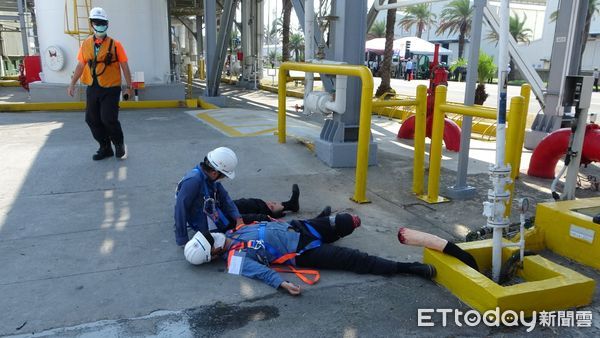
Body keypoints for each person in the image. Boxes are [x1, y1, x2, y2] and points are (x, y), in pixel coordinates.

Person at [184, 214, 437, 295]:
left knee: (348, 220)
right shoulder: (235, 259)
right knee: (356, 260)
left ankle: (331, 224)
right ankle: (409, 268)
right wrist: (283, 283)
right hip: (305, 251)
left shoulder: (233, 229)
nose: (212, 235)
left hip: (300, 227)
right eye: (210, 241)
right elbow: (260, 272)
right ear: (213, 253)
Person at [173, 147, 304, 247]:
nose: (223, 178)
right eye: (223, 175)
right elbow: (180, 209)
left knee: (251, 204)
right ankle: (293, 228)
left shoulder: (207, 176)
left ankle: (288, 205)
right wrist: (182, 239)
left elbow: (224, 197)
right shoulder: (193, 181)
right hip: (210, 221)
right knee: (256, 219)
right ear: (214, 173)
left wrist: (237, 217)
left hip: (213, 208)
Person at [67, 7, 132, 161]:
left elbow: (125, 66)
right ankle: (105, 147)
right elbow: (80, 66)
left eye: (102, 22)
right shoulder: (85, 44)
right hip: (93, 86)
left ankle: (119, 144)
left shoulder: (116, 45)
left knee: (108, 118)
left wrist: (129, 87)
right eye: (97, 22)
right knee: (91, 119)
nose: (100, 25)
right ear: (92, 24)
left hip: (111, 87)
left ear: (107, 24)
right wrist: (72, 84)